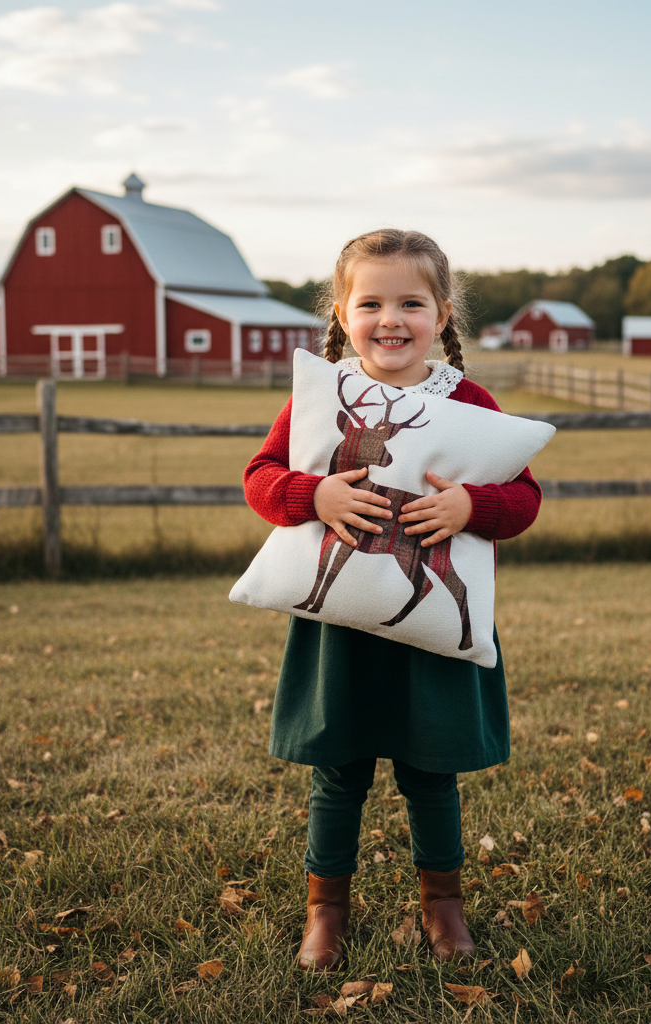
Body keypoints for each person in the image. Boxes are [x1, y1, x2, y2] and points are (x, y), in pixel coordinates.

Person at [243, 228, 542, 970]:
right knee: (338, 769)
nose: (391, 319)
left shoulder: (469, 400)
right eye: (371, 301)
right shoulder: (321, 395)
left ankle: (443, 908)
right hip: (338, 622)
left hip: (433, 629)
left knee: (430, 769)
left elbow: (523, 496)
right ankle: (326, 913)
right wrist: (315, 493)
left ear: (442, 315)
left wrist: (472, 507)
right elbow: (260, 478)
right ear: (342, 314)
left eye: (411, 301)